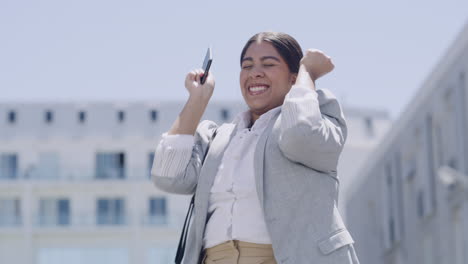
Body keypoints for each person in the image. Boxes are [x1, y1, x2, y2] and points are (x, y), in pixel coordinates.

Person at [151, 32, 360, 264]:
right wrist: (198, 99)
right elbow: (167, 176)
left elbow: (301, 136)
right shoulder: (218, 137)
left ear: (293, 77)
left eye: (268, 64)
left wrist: (307, 73)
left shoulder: (318, 115)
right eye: (246, 66)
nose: (255, 73)